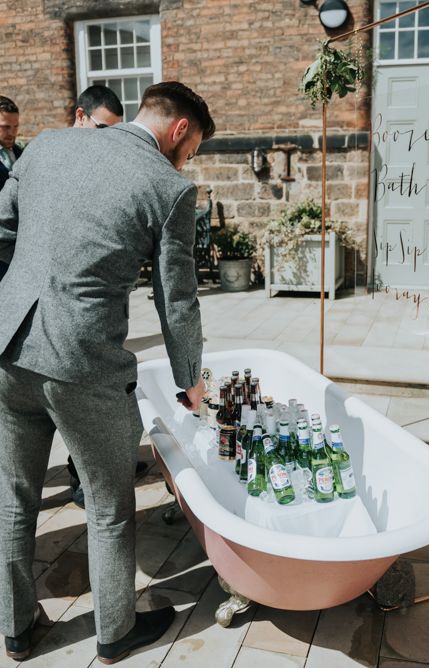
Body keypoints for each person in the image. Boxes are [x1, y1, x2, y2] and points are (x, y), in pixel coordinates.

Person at [0, 81, 214, 663]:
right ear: (178, 130)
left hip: (8, 347)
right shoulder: (170, 187)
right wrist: (189, 378)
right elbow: (178, 300)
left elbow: (3, 231)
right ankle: (116, 631)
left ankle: (17, 630)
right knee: (108, 504)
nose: (188, 158)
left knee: (15, 497)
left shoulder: (44, 145)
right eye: (192, 147)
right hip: (82, 362)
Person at [65, 84, 130, 510]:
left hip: (96, 308)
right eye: (103, 129)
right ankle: (86, 482)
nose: (110, 142)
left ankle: (88, 473)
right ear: (80, 117)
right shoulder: (54, 160)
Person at [0, 96, 22, 281]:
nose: (12, 133)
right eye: (5, 127)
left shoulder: (22, 154)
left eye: (15, 126)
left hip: (17, 246)